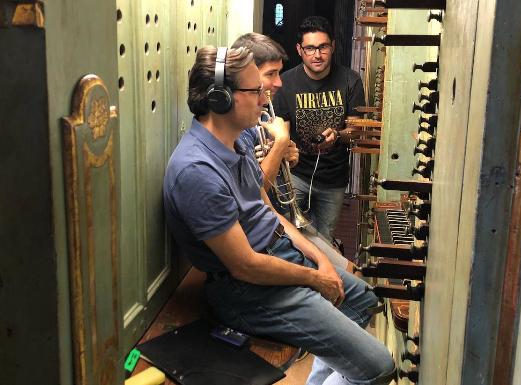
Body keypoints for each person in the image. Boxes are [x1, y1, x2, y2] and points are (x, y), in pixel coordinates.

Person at [163, 46, 395, 385]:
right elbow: (245, 265)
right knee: (379, 367)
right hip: (249, 289)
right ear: (220, 99)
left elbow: (268, 211)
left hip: (278, 255)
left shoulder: (238, 138)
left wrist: (318, 257)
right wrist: (314, 277)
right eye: (255, 90)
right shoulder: (196, 171)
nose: (264, 98)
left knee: (363, 301)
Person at [231, 32, 354, 273]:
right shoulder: (238, 128)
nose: (279, 83)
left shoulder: (262, 116)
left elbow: (272, 173)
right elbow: (256, 193)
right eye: (270, 74)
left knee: (349, 270)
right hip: (269, 229)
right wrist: (280, 145)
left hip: (282, 218)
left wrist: (288, 156)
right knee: (348, 276)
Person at [274, 16, 365, 241]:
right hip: (296, 175)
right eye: (310, 48)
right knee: (290, 238)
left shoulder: (351, 80)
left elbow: (356, 131)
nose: (317, 54)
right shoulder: (285, 83)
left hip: (334, 179)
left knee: (324, 241)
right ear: (299, 49)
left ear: (332, 46)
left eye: (323, 47)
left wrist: (338, 135)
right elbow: (281, 132)